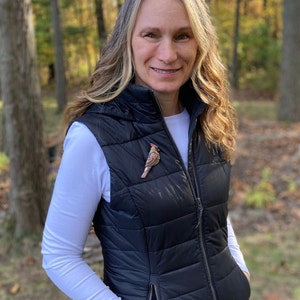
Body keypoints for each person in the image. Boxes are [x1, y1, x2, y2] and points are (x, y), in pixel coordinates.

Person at [42, 0, 251, 299]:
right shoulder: (94, 136)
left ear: (200, 42)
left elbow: (209, 210)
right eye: (151, 35)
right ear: (127, 41)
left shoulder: (207, 118)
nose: (168, 55)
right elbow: (59, 255)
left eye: (182, 35)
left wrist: (240, 272)